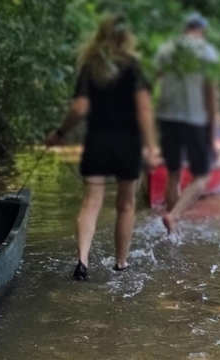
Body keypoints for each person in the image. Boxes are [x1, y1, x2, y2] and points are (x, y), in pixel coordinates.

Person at [47, 16, 160, 280]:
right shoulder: (133, 68)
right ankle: (121, 264)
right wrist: (152, 147)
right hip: (128, 143)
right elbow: (143, 108)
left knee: (90, 204)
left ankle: (82, 262)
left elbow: (80, 108)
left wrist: (60, 133)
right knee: (126, 205)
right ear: (126, 37)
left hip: (97, 141)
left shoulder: (90, 66)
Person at [154, 13, 220, 234]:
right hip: (195, 120)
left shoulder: (166, 49)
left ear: (185, 28)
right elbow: (210, 94)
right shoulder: (207, 52)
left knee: (173, 173)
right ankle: (173, 216)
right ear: (202, 30)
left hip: (167, 118)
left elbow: (154, 79)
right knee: (202, 176)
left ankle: (172, 232)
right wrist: (213, 131)